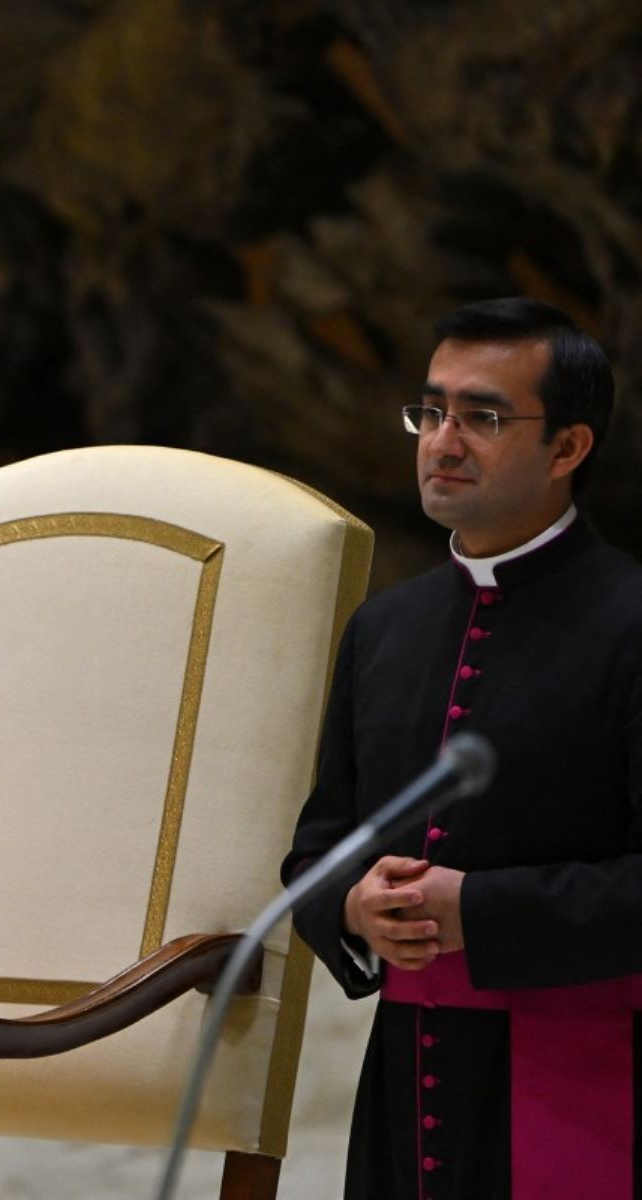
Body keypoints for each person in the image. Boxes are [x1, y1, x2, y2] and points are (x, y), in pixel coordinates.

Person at [282, 297, 641, 1198]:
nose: (443, 440)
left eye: (483, 417)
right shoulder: (384, 629)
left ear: (568, 449)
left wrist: (478, 910)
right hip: (407, 1080)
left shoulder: (631, 623)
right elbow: (319, 848)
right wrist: (353, 905)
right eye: (431, 411)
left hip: (586, 1077)